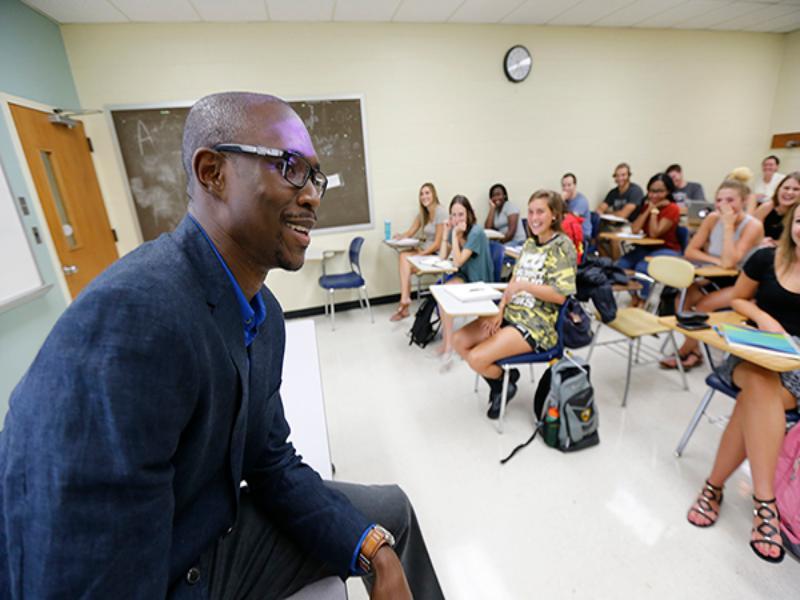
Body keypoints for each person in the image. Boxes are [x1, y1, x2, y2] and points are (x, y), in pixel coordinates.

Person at [0, 92, 443, 599]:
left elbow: (270, 461)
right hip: (159, 568)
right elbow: (81, 565)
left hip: (205, 532)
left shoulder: (264, 316)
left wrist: (370, 547)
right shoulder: (134, 316)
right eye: (290, 167)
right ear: (212, 172)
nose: (313, 196)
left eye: (315, 176)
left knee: (392, 516)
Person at [686, 198, 800, 564]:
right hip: (752, 349)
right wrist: (763, 318)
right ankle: (765, 503)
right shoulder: (764, 259)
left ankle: (713, 487)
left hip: (796, 365)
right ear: (790, 224)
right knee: (759, 380)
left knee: (753, 399)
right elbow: (737, 298)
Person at [452, 190, 577, 419]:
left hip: (536, 325)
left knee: (477, 358)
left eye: (540, 212)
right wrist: (499, 311)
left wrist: (524, 286)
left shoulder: (562, 246)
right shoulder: (529, 244)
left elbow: (560, 295)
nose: (534, 217)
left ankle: (501, 381)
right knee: (458, 340)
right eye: (530, 212)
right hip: (511, 313)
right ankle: (502, 383)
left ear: (554, 216)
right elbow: (512, 283)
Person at [661, 179, 763, 370]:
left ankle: (685, 351)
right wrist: (716, 261)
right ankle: (696, 350)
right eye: (719, 200)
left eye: (730, 200)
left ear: (743, 201)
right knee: (682, 298)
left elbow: (731, 261)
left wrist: (728, 225)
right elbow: (691, 251)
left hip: (744, 281)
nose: (723, 205)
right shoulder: (711, 218)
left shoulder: (753, 226)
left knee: (703, 305)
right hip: (716, 274)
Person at [438, 195, 493, 360]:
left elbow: (458, 261)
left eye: (461, 214)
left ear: (469, 214)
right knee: (444, 293)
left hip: (480, 281)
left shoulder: (475, 232)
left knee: (447, 291)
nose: (457, 219)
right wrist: (447, 233)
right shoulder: (455, 231)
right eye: (453, 215)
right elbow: (442, 257)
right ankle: (447, 342)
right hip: (466, 277)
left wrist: (454, 235)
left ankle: (451, 343)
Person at [616, 173, 682, 303]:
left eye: (659, 191)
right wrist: (648, 209)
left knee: (642, 267)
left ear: (668, 191)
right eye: (651, 191)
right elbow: (635, 229)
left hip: (667, 249)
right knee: (621, 265)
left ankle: (643, 300)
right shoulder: (648, 205)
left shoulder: (673, 209)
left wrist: (654, 211)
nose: (654, 195)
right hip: (647, 248)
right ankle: (634, 297)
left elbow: (654, 233)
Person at [390, 182, 448, 321]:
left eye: (427, 193)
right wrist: (401, 236)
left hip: (436, 254)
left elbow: (438, 243)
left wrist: (421, 253)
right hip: (425, 251)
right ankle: (405, 300)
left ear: (434, 194)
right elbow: (411, 231)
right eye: (422, 194)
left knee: (406, 263)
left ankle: (404, 305)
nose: (424, 196)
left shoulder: (440, 211)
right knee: (403, 257)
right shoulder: (424, 213)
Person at [754, 171, 800, 243]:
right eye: (786, 188)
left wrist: (775, 243)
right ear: (778, 189)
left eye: (796, 189)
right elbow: (750, 231)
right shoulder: (766, 207)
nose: (789, 192)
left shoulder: (798, 214)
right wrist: (760, 240)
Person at [561, 172, 592, 241]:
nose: (566, 188)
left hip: (582, 235)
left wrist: (561, 201)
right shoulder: (565, 200)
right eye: (563, 185)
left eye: (569, 185)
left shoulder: (581, 201)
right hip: (569, 232)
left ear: (575, 185)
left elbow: (571, 219)